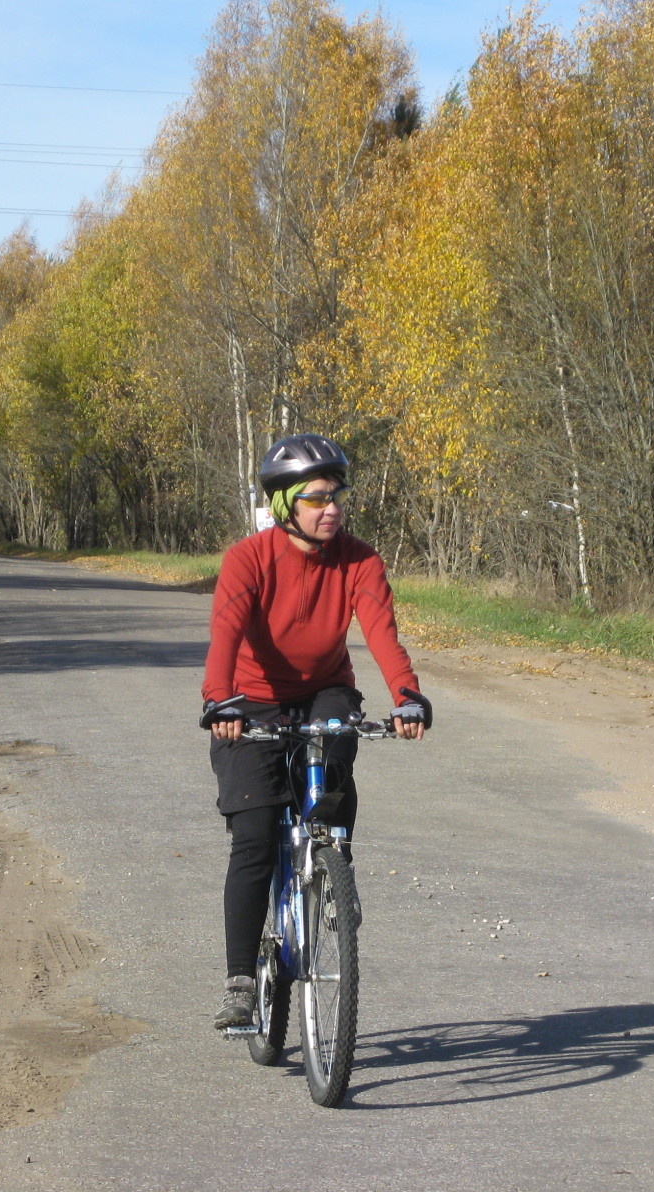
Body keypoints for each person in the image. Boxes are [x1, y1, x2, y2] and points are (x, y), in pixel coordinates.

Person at [201, 433, 429, 1030]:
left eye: (337, 496)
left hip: (324, 688)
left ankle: (334, 864)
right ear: (285, 506)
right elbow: (225, 633)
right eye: (317, 498)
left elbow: (381, 633)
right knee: (254, 834)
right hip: (250, 698)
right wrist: (219, 700)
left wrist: (406, 695)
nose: (332, 508)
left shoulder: (360, 560)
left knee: (336, 747)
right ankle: (240, 983)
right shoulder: (248, 559)